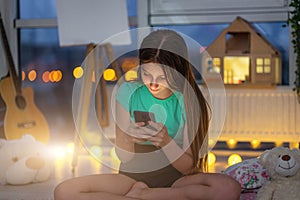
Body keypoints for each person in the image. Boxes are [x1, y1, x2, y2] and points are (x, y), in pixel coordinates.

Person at [54, 29, 241, 200]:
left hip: (176, 179)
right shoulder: (128, 91)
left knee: (228, 188)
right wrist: (128, 137)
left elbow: (187, 167)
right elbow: (124, 157)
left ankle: (147, 195)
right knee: (64, 191)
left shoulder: (188, 99)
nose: (153, 84)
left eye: (162, 77)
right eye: (146, 74)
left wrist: (165, 141)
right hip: (131, 176)